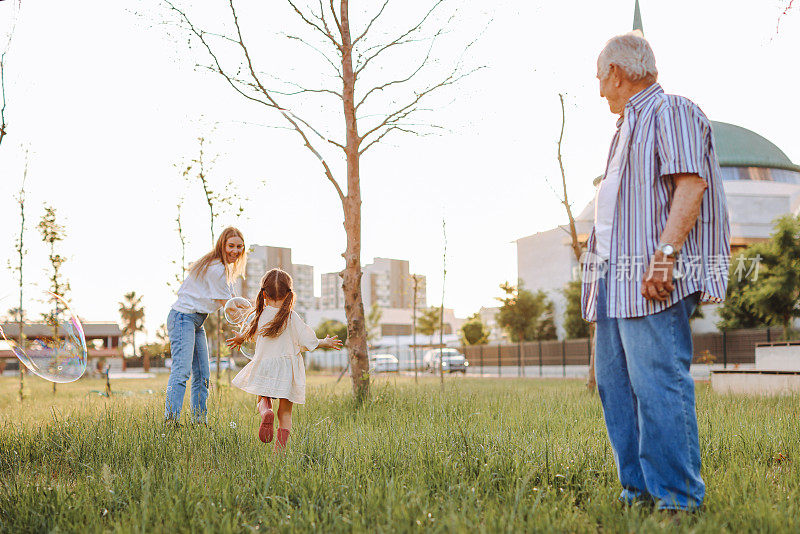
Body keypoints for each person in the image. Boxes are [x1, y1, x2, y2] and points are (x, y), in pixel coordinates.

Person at [581, 33, 730, 511]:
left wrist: (665, 253)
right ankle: (639, 492)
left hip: (650, 275)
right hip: (612, 276)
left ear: (617, 75)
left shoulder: (672, 110)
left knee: (657, 383)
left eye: (601, 80)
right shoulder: (626, 126)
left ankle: (679, 501)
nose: (600, 90)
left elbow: (691, 183)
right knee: (616, 385)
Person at [227, 268, 342, 449]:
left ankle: (266, 411)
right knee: (286, 413)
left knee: (263, 400)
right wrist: (325, 342)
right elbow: (307, 340)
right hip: (288, 371)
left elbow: (249, 334)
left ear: (264, 294)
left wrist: (239, 338)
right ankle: (279, 453)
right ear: (289, 294)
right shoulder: (292, 317)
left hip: (265, 366)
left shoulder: (260, 315)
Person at [164, 226, 247, 423]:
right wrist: (254, 320)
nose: (235, 251)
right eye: (231, 246)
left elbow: (231, 302)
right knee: (181, 372)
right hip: (183, 318)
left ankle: (199, 422)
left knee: (202, 374)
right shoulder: (217, 269)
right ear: (222, 245)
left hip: (195, 321)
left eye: (239, 247)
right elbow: (229, 308)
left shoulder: (220, 267)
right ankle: (171, 421)